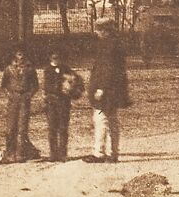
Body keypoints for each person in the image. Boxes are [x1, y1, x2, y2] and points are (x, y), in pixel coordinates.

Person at [87, 17, 130, 163]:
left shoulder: (107, 46)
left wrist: (101, 88)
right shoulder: (116, 44)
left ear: (105, 31)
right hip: (115, 89)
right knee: (112, 120)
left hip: (106, 90)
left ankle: (99, 153)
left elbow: (107, 70)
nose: (96, 32)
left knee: (101, 119)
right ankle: (114, 153)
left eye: (98, 29)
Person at [0, 47, 40, 163]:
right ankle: (10, 153)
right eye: (18, 54)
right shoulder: (9, 69)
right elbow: (4, 86)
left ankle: (21, 153)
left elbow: (35, 85)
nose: (20, 56)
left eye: (22, 54)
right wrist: (9, 95)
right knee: (11, 127)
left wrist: (29, 95)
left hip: (24, 99)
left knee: (22, 127)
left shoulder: (30, 69)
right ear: (14, 55)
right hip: (13, 99)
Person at [42, 48, 78, 162]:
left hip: (64, 102)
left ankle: (63, 153)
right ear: (50, 58)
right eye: (54, 58)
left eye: (58, 57)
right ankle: (53, 153)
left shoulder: (66, 68)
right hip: (52, 101)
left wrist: (70, 88)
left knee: (63, 127)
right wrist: (58, 88)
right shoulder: (47, 70)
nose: (56, 60)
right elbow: (47, 86)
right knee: (52, 127)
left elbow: (75, 80)